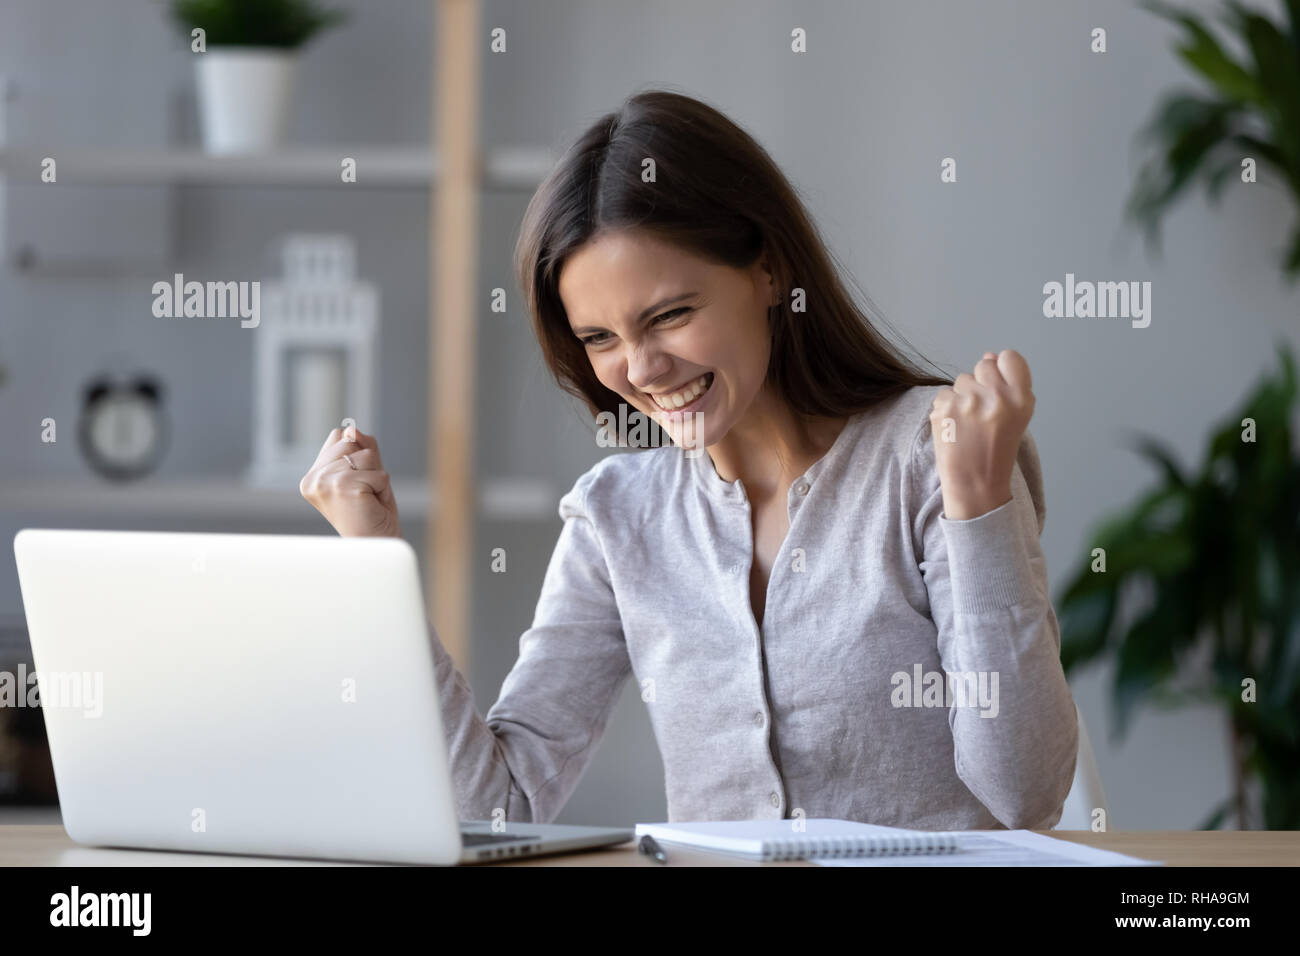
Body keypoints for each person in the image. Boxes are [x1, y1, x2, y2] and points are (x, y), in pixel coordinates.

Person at [300, 88, 1079, 830]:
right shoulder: (616, 515)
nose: (639, 370)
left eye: (669, 315)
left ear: (769, 271)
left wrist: (977, 506)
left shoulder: (932, 455)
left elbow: (1026, 794)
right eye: (600, 338)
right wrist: (376, 568)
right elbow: (497, 811)